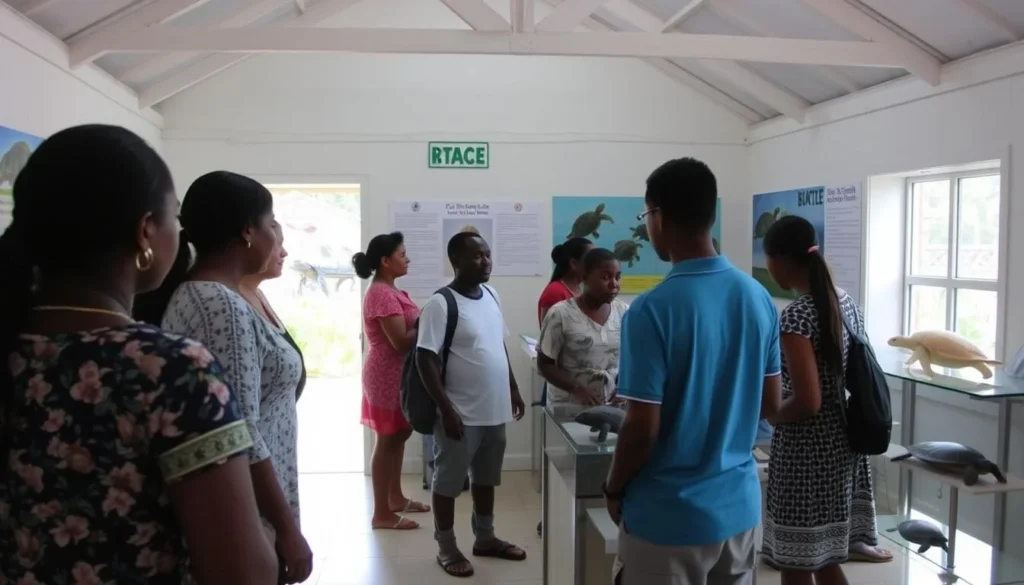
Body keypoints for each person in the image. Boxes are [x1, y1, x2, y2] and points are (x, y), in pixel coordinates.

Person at [0, 125, 277, 584]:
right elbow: (242, 573)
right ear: (146, 231)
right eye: (174, 219)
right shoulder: (169, 370)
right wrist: (269, 538)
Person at [604, 157, 781, 585]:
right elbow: (771, 405)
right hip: (739, 510)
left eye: (646, 215)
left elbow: (642, 429)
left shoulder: (650, 310)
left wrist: (613, 487)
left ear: (659, 217)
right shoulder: (758, 298)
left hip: (668, 517)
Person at [133, 171, 312, 584]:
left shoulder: (215, 295)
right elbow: (241, 431)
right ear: (248, 231)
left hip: (255, 501)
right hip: (246, 511)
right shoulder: (219, 305)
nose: (275, 238)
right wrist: (285, 528)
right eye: (271, 225)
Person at [760, 215, 891, 584]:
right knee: (826, 559)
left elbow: (807, 401)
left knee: (797, 561)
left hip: (806, 456)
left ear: (781, 260)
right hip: (843, 446)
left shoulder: (797, 317)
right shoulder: (843, 300)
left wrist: (772, 414)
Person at [416, 232, 527, 578]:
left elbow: (498, 346)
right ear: (456, 261)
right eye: (477, 256)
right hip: (460, 414)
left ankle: (486, 538)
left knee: (486, 479)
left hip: (494, 409)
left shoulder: (492, 294)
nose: (486, 261)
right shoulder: (441, 303)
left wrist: (513, 388)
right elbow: (425, 359)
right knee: (448, 483)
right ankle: (446, 547)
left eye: (488, 254)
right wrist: (446, 409)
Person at [352, 231, 430, 530]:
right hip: (386, 375)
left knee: (399, 435)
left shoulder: (392, 290)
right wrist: (428, 321)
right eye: (402, 254)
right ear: (386, 261)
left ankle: (395, 498)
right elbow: (399, 341)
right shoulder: (382, 294)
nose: (407, 258)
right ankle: (381, 513)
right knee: (387, 439)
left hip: (399, 374)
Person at [537, 247, 628, 406]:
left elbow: (631, 359)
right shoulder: (560, 314)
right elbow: (544, 364)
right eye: (606, 277)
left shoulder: (624, 312)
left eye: (617, 277)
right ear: (584, 277)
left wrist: (625, 388)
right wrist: (576, 389)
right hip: (568, 407)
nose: (614, 284)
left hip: (610, 407)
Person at [239, 223, 307, 402]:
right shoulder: (234, 304)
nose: (284, 252)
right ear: (249, 240)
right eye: (278, 244)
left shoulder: (256, 293)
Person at [537, 237, 593, 326]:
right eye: (591, 259)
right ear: (574, 263)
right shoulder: (555, 291)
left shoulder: (582, 289)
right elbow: (549, 334)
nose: (596, 263)